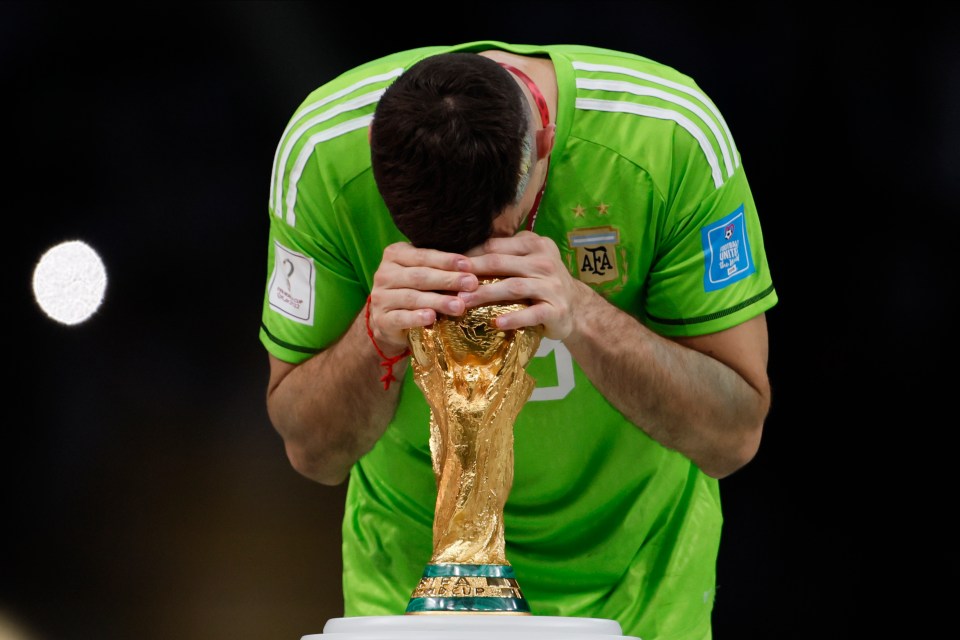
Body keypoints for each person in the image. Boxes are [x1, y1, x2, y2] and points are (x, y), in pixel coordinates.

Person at [259, 41, 777, 640]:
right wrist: (373, 335)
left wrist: (582, 314)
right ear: (369, 167)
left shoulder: (670, 138)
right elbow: (311, 453)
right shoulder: (323, 156)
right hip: (409, 592)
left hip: (639, 586)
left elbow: (733, 436)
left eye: (497, 237)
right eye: (438, 248)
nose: (472, 271)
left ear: (546, 147)